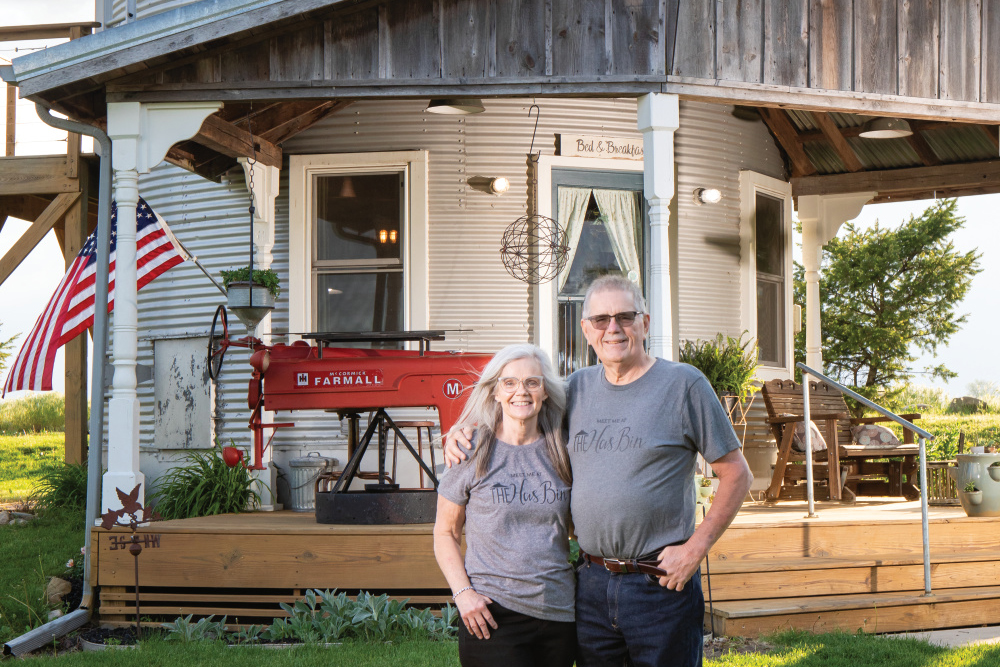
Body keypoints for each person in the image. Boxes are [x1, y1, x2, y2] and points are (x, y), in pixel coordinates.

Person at [446, 275, 754, 667]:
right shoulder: (573, 390)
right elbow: (517, 406)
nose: (614, 328)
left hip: (659, 582)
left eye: (625, 316)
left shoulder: (684, 385)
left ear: (645, 322)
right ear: (586, 330)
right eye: (601, 319)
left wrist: (695, 550)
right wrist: (466, 428)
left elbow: (737, 474)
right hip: (590, 586)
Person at [433, 343, 577, 667]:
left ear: (545, 392)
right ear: (495, 392)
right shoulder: (470, 450)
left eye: (532, 382)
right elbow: (445, 532)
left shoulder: (563, 449)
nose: (520, 391)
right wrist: (462, 594)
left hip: (558, 614)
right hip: (491, 615)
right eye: (509, 382)